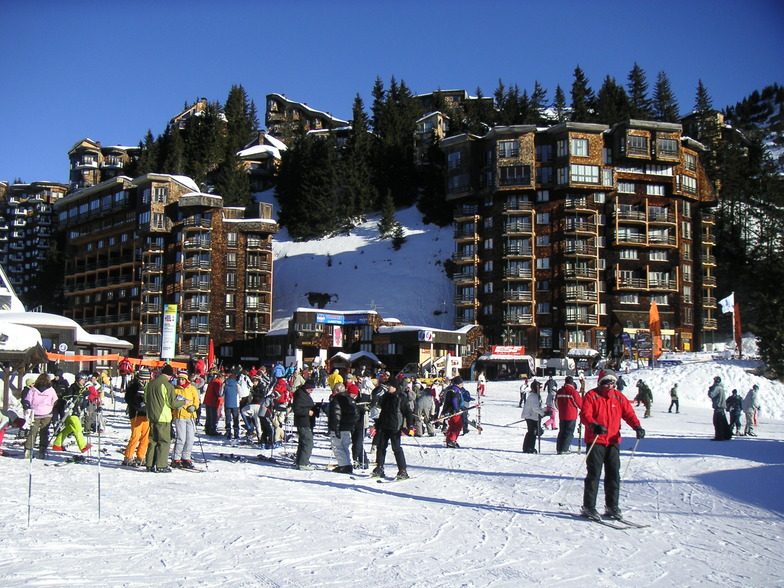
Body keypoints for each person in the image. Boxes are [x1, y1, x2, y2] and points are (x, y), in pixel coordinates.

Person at [580, 369, 645, 520]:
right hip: (596, 440)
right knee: (594, 473)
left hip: (613, 440)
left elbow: (629, 414)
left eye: (612, 382)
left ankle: (612, 505)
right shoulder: (592, 395)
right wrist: (593, 425)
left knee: (613, 474)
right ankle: (589, 506)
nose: (610, 385)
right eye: (606, 382)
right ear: (600, 382)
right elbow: (585, 415)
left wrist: (637, 426)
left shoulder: (618, 397)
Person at [144, 364, 186, 473]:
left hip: (151, 415)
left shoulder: (150, 384)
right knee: (164, 441)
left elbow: (145, 399)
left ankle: (149, 464)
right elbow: (172, 403)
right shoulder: (167, 386)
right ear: (169, 375)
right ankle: (161, 465)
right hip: (163, 416)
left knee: (153, 440)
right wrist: (184, 402)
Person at [372, 379, 412, 480]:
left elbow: (408, 412)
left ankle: (402, 470)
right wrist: (378, 424)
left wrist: (410, 426)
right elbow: (382, 411)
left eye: (389, 386)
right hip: (384, 425)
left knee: (396, 448)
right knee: (381, 447)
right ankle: (379, 467)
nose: (387, 387)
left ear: (395, 387)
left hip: (395, 427)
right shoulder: (385, 397)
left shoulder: (401, 397)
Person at [52, 373, 93, 456]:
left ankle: (57, 444)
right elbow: (65, 397)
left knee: (68, 429)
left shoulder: (82, 388)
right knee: (78, 429)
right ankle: (82, 446)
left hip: (77, 412)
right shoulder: (73, 388)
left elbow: (83, 397)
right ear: (78, 380)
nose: (84, 381)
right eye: (82, 380)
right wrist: (69, 402)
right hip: (71, 412)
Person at [23, 373, 59, 460]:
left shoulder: (33, 389)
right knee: (44, 431)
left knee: (33, 431)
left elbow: (27, 400)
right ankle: (42, 449)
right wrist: (51, 406)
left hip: (35, 412)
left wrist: (28, 407)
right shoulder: (51, 390)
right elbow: (55, 400)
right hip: (47, 412)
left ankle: (28, 449)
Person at [122, 369, 151, 467]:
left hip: (146, 415)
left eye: (147, 379)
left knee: (145, 438)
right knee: (135, 436)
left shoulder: (149, 387)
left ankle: (141, 456)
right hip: (136, 414)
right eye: (143, 379)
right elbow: (128, 399)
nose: (145, 381)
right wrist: (136, 405)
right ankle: (128, 457)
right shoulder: (133, 386)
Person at [171, 371, 200, 469]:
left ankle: (186, 457)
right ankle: (176, 458)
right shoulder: (175, 389)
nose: (181, 381)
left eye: (183, 379)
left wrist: (194, 406)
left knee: (190, 438)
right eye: (179, 379)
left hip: (190, 416)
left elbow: (196, 400)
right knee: (181, 438)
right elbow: (172, 401)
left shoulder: (192, 388)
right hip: (179, 416)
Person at [327, 382, 357, 474]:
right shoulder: (349, 399)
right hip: (348, 427)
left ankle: (343, 465)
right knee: (346, 446)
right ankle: (348, 464)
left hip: (339, 427)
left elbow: (336, 414)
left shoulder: (337, 399)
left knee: (337, 447)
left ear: (337, 390)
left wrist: (335, 427)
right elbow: (356, 413)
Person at [292, 379, 317, 470]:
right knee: (308, 442)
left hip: (306, 421)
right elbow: (297, 409)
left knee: (303, 442)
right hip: (303, 422)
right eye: (310, 389)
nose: (311, 391)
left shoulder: (304, 394)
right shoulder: (300, 395)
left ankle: (300, 461)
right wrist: (307, 412)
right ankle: (303, 463)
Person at [555, 376, 582, 454]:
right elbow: (579, 403)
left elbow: (556, 402)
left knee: (562, 432)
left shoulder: (559, 391)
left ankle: (559, 448)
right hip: (571, 415)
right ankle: (565, 448)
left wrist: (560, 409)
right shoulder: (573, 392)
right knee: (569, 432)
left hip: (562, 414)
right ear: (572, 383)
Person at [521, 380, 546, 454]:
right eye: (540, 387)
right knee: (532, 432)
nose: (541, 389)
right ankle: (529, 447)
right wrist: (542, 413)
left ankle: (528, 447)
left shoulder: (536, 396)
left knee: (532, 432)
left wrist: (544, 411)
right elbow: (535, 407)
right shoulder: (533, 396)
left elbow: (539, 406)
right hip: (530, 416)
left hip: (533, 416)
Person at [441, 376, 465, 449]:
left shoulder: (449, 389)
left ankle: (449, 440)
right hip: (453, 411)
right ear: (458, 383)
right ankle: (452, 440)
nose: (462, 385)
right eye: (461, 383)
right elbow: (454, 400)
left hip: (448, 410)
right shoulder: (456, 390)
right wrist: (456, 409)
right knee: (458, 425)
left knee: (451, 426)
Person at [708, 376, 732, 441]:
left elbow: (711, 395)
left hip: (718, 407)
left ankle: (719, 436)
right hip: (721, 408)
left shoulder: (717, 387)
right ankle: (726, 435)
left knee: (717, 422)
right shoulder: (721, 387)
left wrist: (710, 389)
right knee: (723, 422)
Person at [221, 371, 241, 440]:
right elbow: (240, 393)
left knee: (228, 418)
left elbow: (220, 393)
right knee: (235, 418)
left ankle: (228, 433)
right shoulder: (236, 385)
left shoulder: (225, 384)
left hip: (227, 404)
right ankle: (236, 433)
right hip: (235, 404)